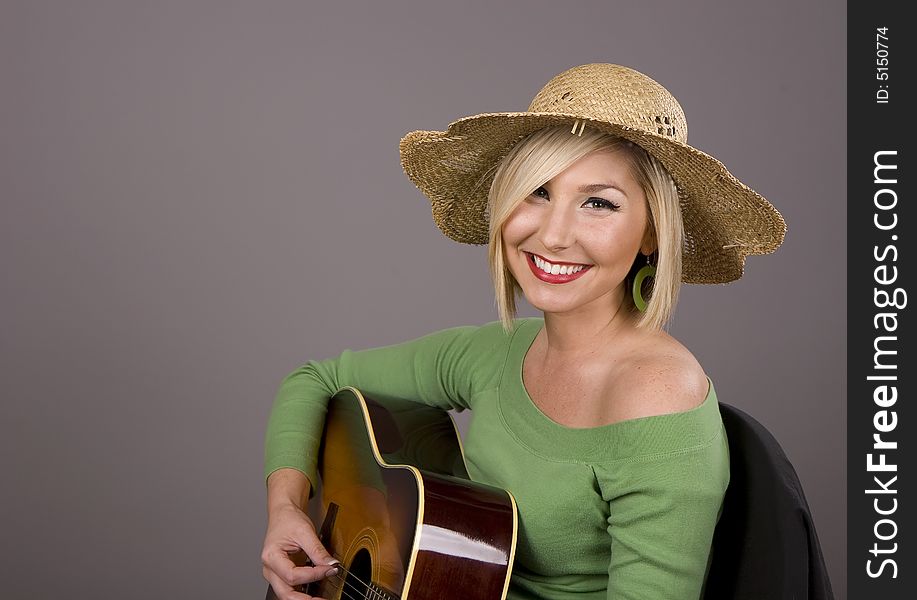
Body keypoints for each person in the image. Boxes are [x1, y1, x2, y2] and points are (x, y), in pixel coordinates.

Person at [260, 63, 786, 600]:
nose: (553, 234)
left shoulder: (658, 397)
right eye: (536, 191)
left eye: (598, 203)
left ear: (652, 233)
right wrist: (286, 510)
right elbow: (315, 379)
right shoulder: (494, 354)